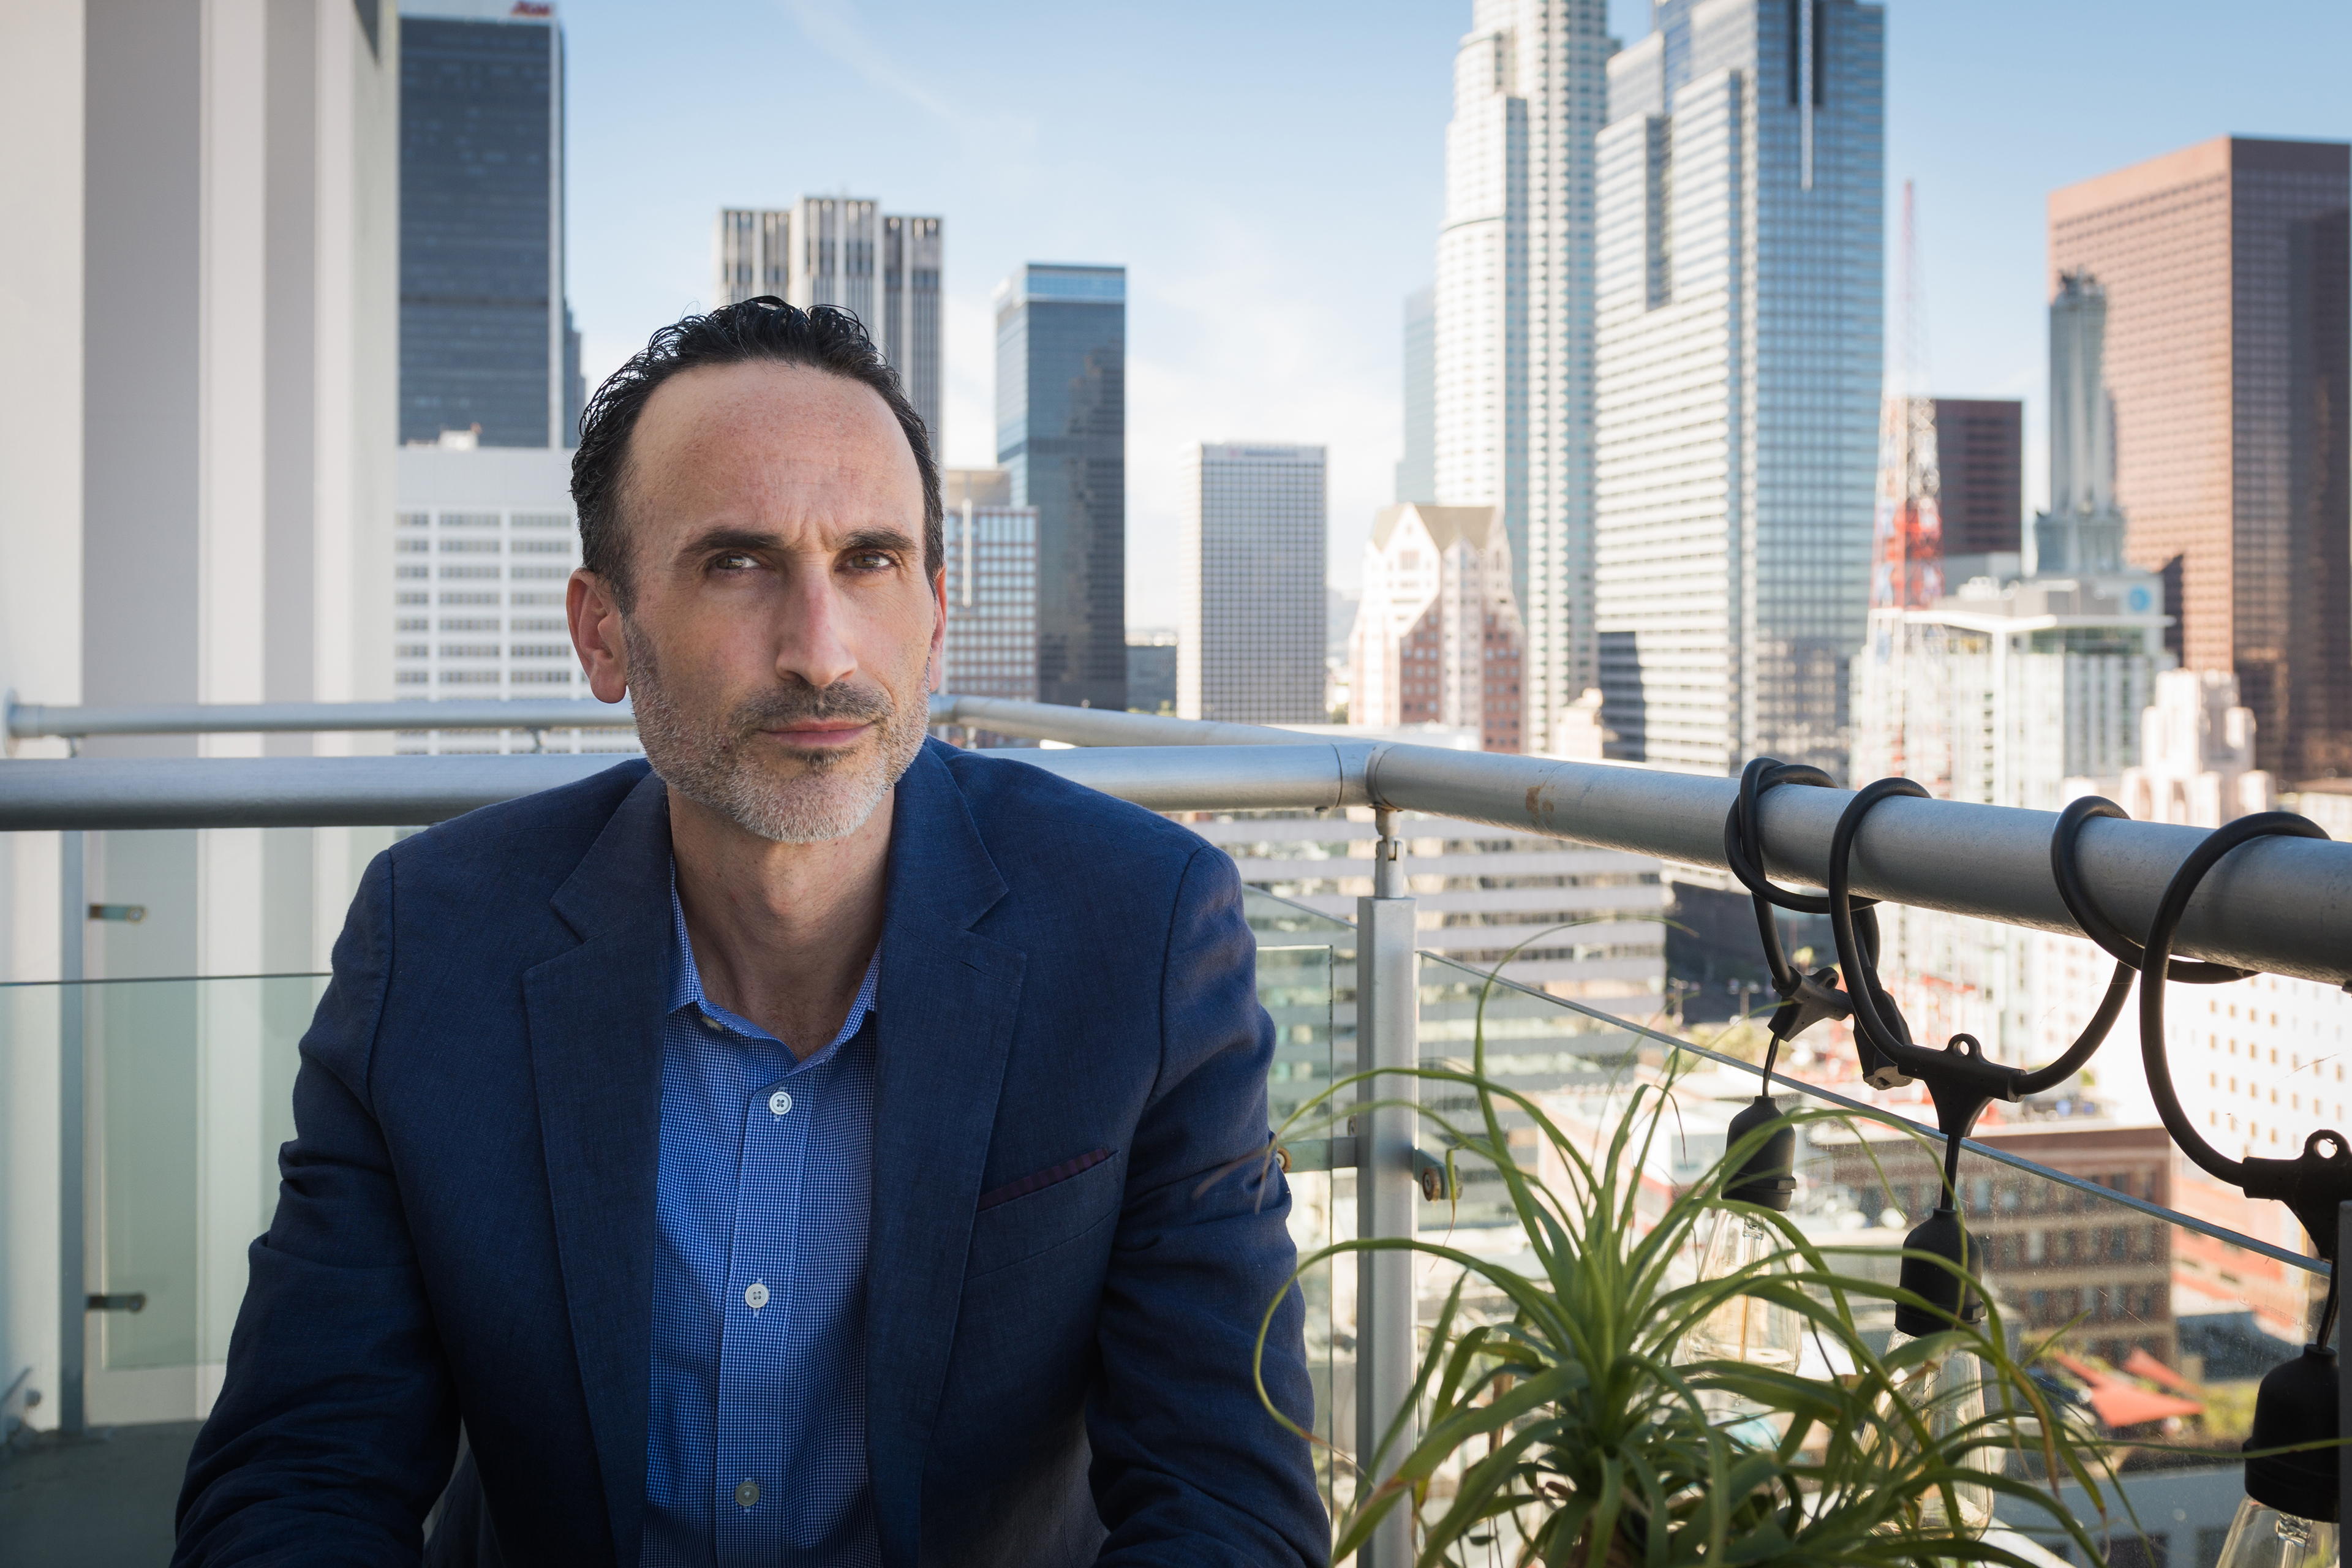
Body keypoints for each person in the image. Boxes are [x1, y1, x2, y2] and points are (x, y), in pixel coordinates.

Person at [173, 299, 1324, 1567]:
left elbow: (1227, 1503)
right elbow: (298, 1474)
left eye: (871, 561)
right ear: (602, 631)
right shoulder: (438, 942)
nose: (820, 650)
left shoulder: (1143, 933)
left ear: (937, 616)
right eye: (738, 562)